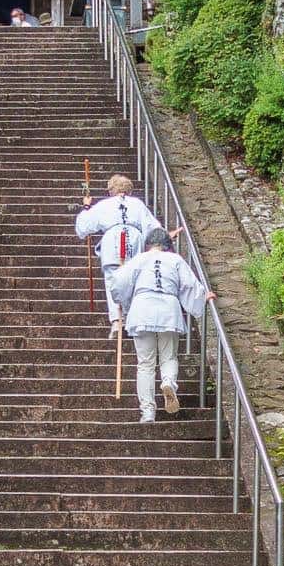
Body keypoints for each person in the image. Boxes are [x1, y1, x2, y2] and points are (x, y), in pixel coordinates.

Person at [107, 228, 213, 423]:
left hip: (142, 308)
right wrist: (202, 298)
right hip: (168, 309)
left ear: (148, 244)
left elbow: (117, 282)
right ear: (167, 245)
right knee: (168, 356)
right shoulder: (176, 260)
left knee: (145, 364)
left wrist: (122, 299)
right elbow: (190, 285)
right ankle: (168, 382)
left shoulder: (139, 259)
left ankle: (148, 412)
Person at [72, 174, 165, 322]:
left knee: (112, 278)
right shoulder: (137, 204)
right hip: (134, 239)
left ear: (111, 191)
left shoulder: (105, 204)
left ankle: (117, 319)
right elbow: (153, 228)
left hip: (111, 240)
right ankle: (130, 316)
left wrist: (86, 206)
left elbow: (83, 227)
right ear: (129, 190)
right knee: (133, 278)